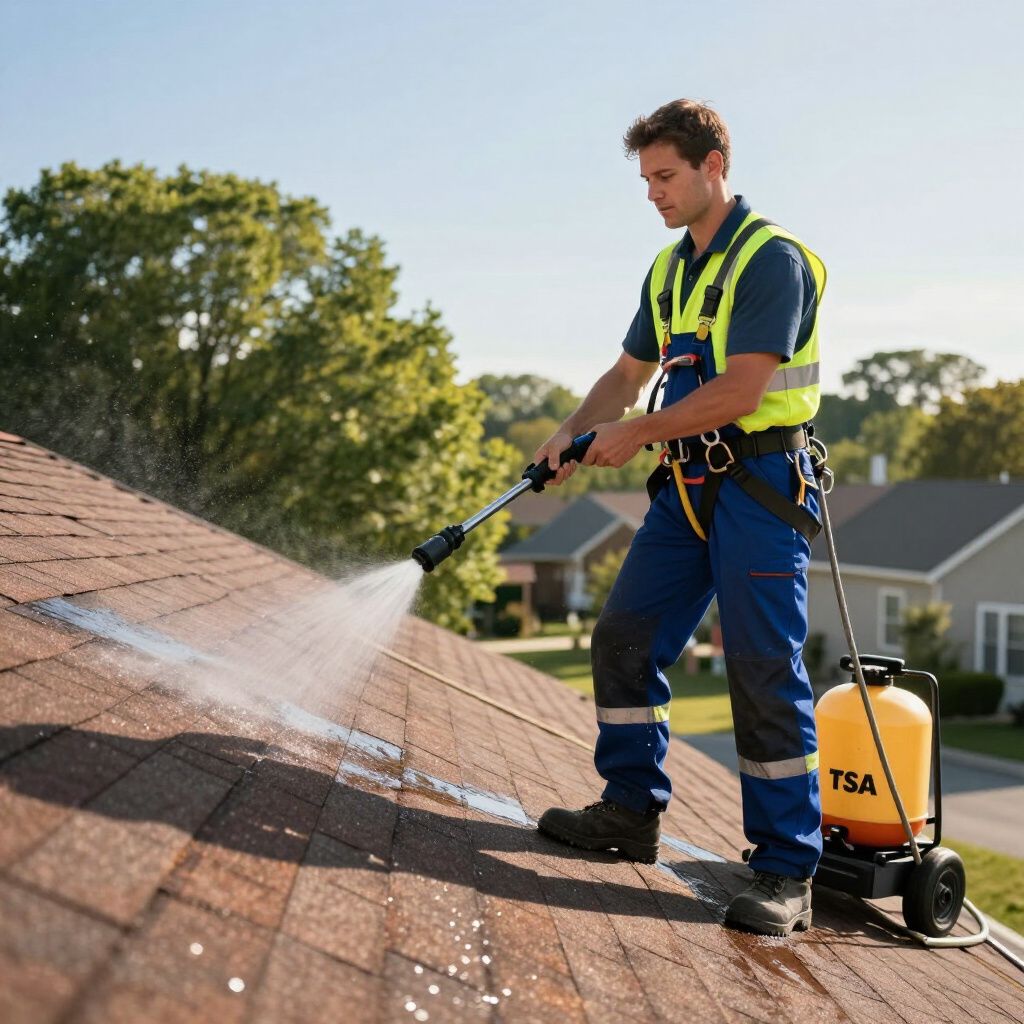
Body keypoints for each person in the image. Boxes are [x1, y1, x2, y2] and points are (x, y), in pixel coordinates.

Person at [534, 99, 826, 937]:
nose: (654, 194)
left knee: (763, 668)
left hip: (762, 487)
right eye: (646, 180)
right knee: (623, 638)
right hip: (689, 488)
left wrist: (633, 436)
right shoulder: (668, 272)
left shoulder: (771, 261)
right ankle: (630, 813)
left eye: (665, 176)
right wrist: (566, 437)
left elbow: (738, 392)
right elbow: (626, 375)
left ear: (713, 166)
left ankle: (784, 870)